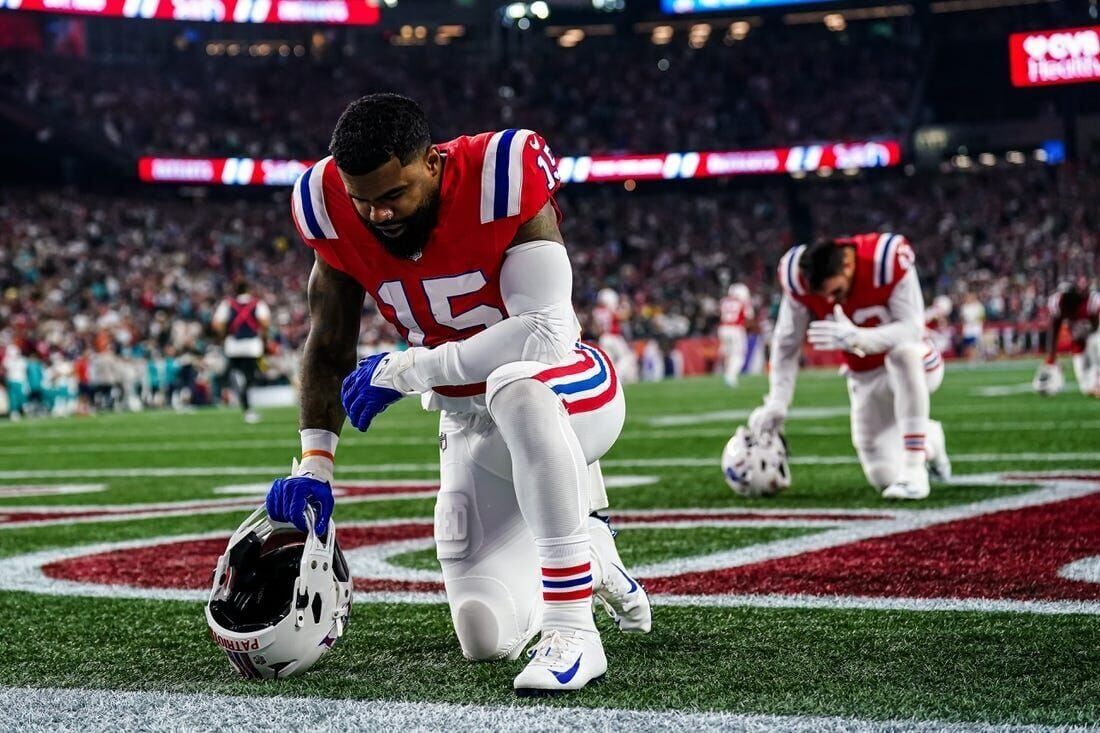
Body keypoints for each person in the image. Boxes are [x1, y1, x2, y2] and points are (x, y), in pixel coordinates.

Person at [264, 94, 650, 695]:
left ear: (433, 163)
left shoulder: (500, 171)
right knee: (484, 632)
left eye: (393, 195)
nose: (378, 214)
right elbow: (329, 341)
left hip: (568, 392)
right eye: (363, 200)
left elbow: (546, 333)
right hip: (464, 420)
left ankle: (575, 632)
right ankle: (595, 553)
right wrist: (316, 463)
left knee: (515, 386)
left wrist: (410, 368)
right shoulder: (327, 204)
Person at [748, 233, 951, 500]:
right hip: (863, 375)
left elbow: (912, 329)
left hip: (917, 364)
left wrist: (861, 338)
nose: (832, 302)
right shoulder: (796, 276)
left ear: (847, 265)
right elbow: (786, 343)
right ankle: (930, 439)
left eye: (836, 292)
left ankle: (915, 468)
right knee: (883, 475)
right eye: (824, 296)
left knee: (902, 356)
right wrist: (778, 401)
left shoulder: (884, 258)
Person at [212, 280, 271, 423]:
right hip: (252, 346)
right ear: (248, 290)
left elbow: (217, 324)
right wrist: (264, 339)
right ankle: (247, 409)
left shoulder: (227, 304)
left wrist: (225, 334)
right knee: (250, 378)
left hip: (233, 346)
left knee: (231, 373)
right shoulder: (258, 303)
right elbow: (265, 323)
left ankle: (225, 392)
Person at [1034, 279, 1099, 397]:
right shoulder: (1058, 304)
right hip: (1078, 344)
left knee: (1095, 342)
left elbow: (1095, 328)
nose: (1067, 301)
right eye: (1064, 297)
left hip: (1095, 338)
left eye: (1069, 297)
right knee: (1087, 389)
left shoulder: (1091, 302)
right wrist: (1051, 358)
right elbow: (1054, 331)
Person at [592, 288, 639, 384]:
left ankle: (608, 383)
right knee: (627, 357)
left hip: (603, 338)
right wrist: (626, 305)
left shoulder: (596, 311)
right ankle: (618, 377)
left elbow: (596, 329)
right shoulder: (610, 309)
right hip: (614, 337)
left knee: (607, 362)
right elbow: (623, 316)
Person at [717, 283, 754, 387]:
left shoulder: (724, 301)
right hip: (736, 328)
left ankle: (727, 373)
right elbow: (749, 317)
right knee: (739, 355)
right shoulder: (743, 302)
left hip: (723, 328)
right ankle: (730, 377)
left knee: (729, 354)